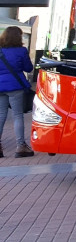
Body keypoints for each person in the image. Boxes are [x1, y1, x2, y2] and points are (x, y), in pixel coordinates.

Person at [0, 26, 34, 158]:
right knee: (17, 115)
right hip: (15, 87)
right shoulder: (21, 51)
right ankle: (21, 146)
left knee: (1, 115)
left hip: (0, 87)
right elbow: (28, 68)